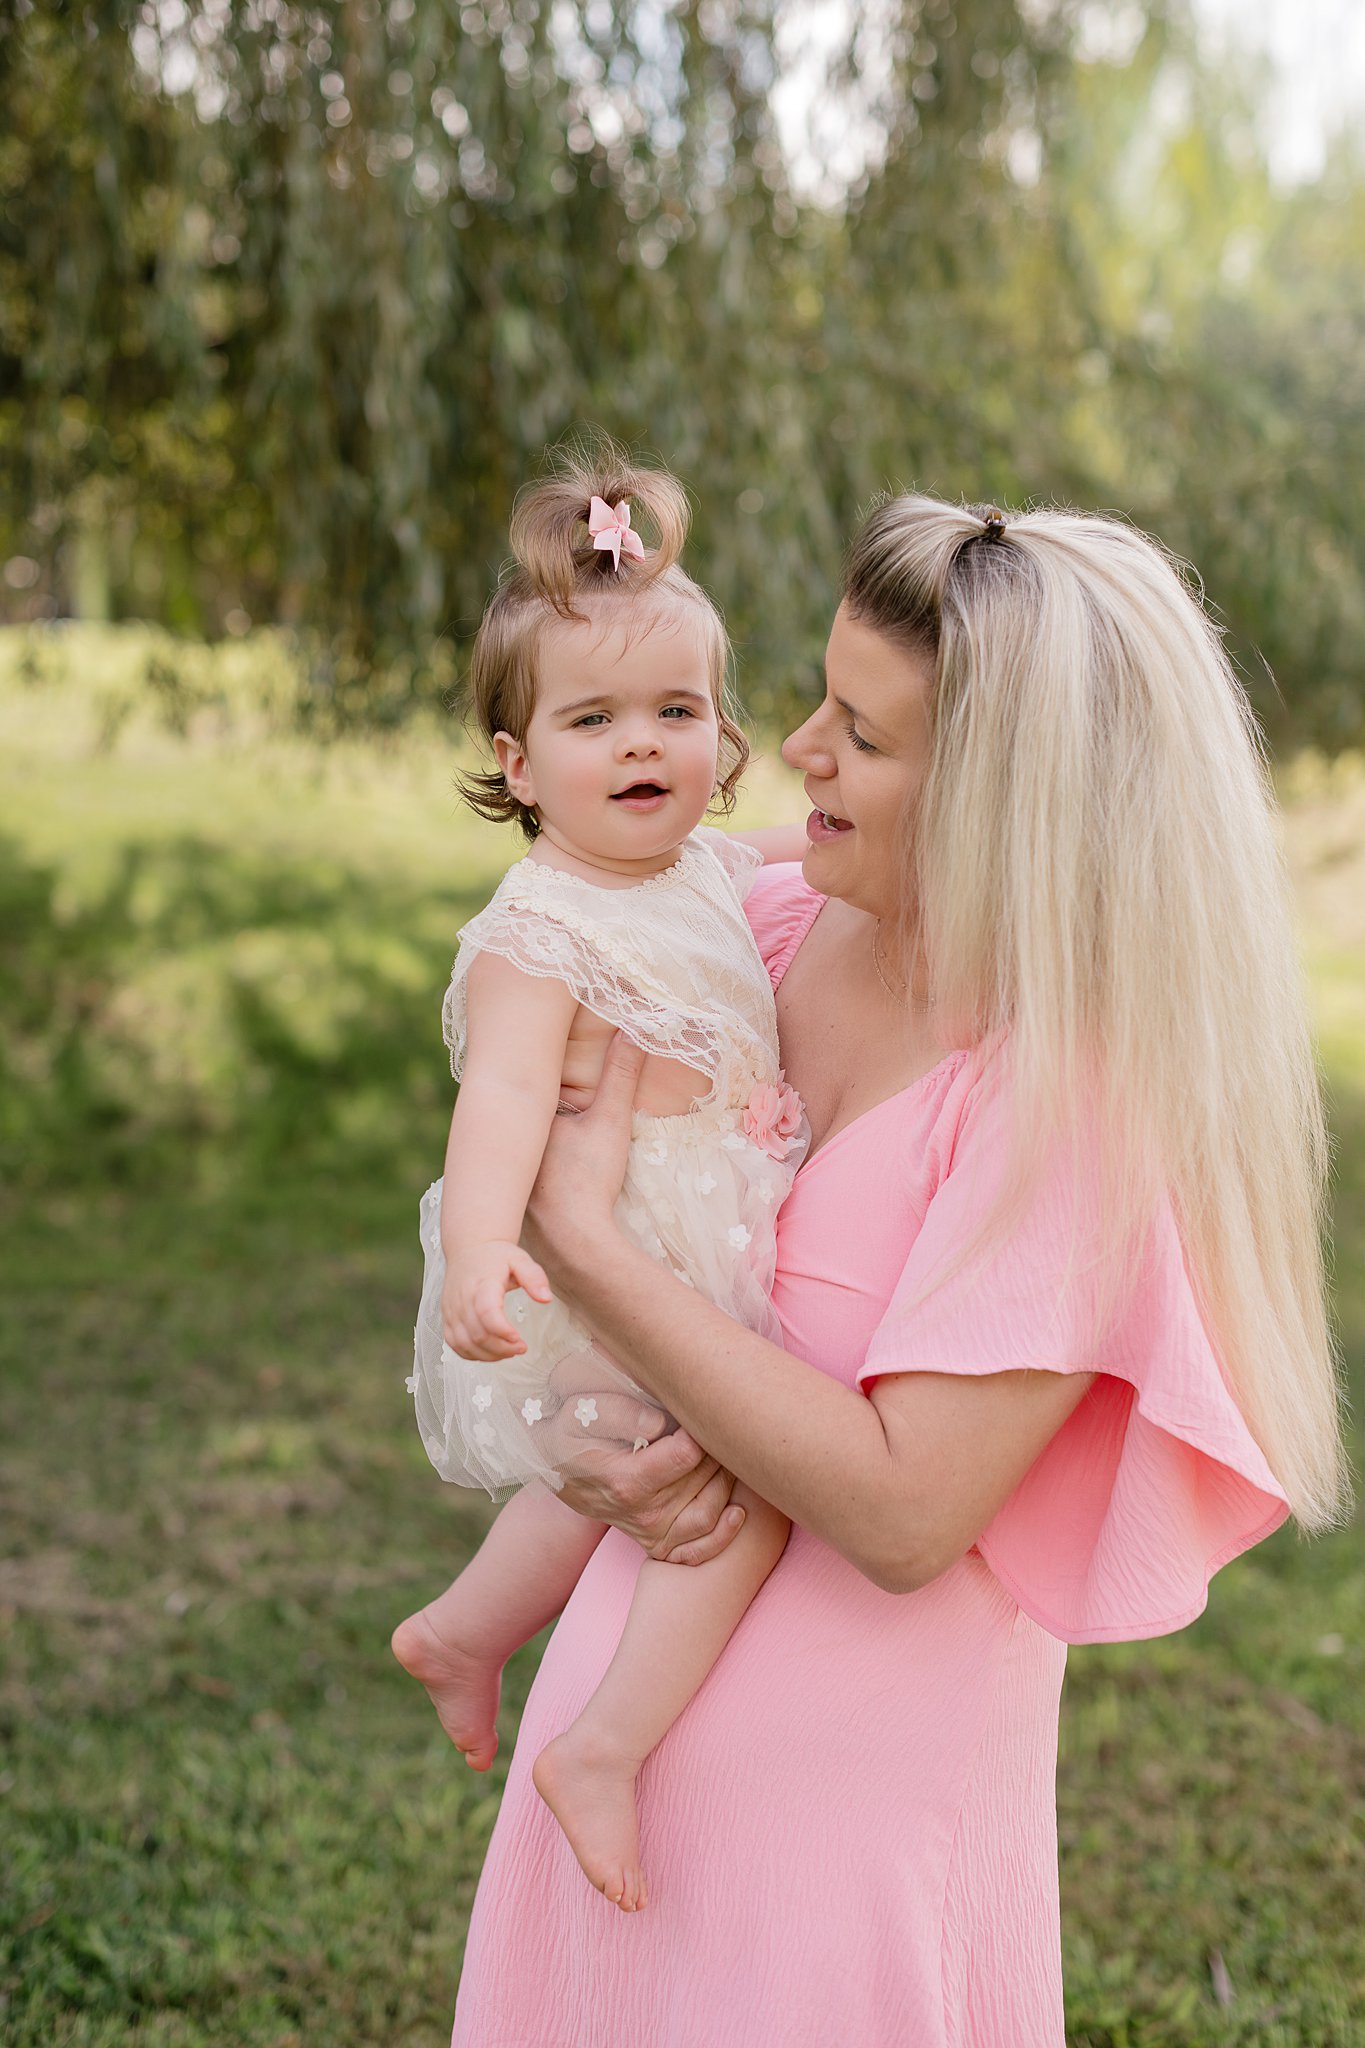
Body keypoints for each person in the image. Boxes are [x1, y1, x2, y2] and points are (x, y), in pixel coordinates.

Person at [446, 492, 1348, 2046]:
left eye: (859, 736)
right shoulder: (769, 925)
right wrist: (583, 1448)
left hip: (834, 1868)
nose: (790, 749)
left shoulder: (1074, 1107)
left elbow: (901, 1509)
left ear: (1003, 800)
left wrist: (583, 1248)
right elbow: (526, 1065)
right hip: (603, 1779)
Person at [392, 441, 810, 1915]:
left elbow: (805, 859)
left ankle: (459, 1633)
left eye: (676, 712)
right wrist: (489, 1248)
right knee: (740, 1491)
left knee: (599, 1493)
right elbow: (502, 1095)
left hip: (699, 1239)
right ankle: (602, 1749)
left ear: (722, 729)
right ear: (516, 765)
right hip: (611, 1256)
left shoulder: (704, 868)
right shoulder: (539, 930)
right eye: (593, 720)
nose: (643, 746)